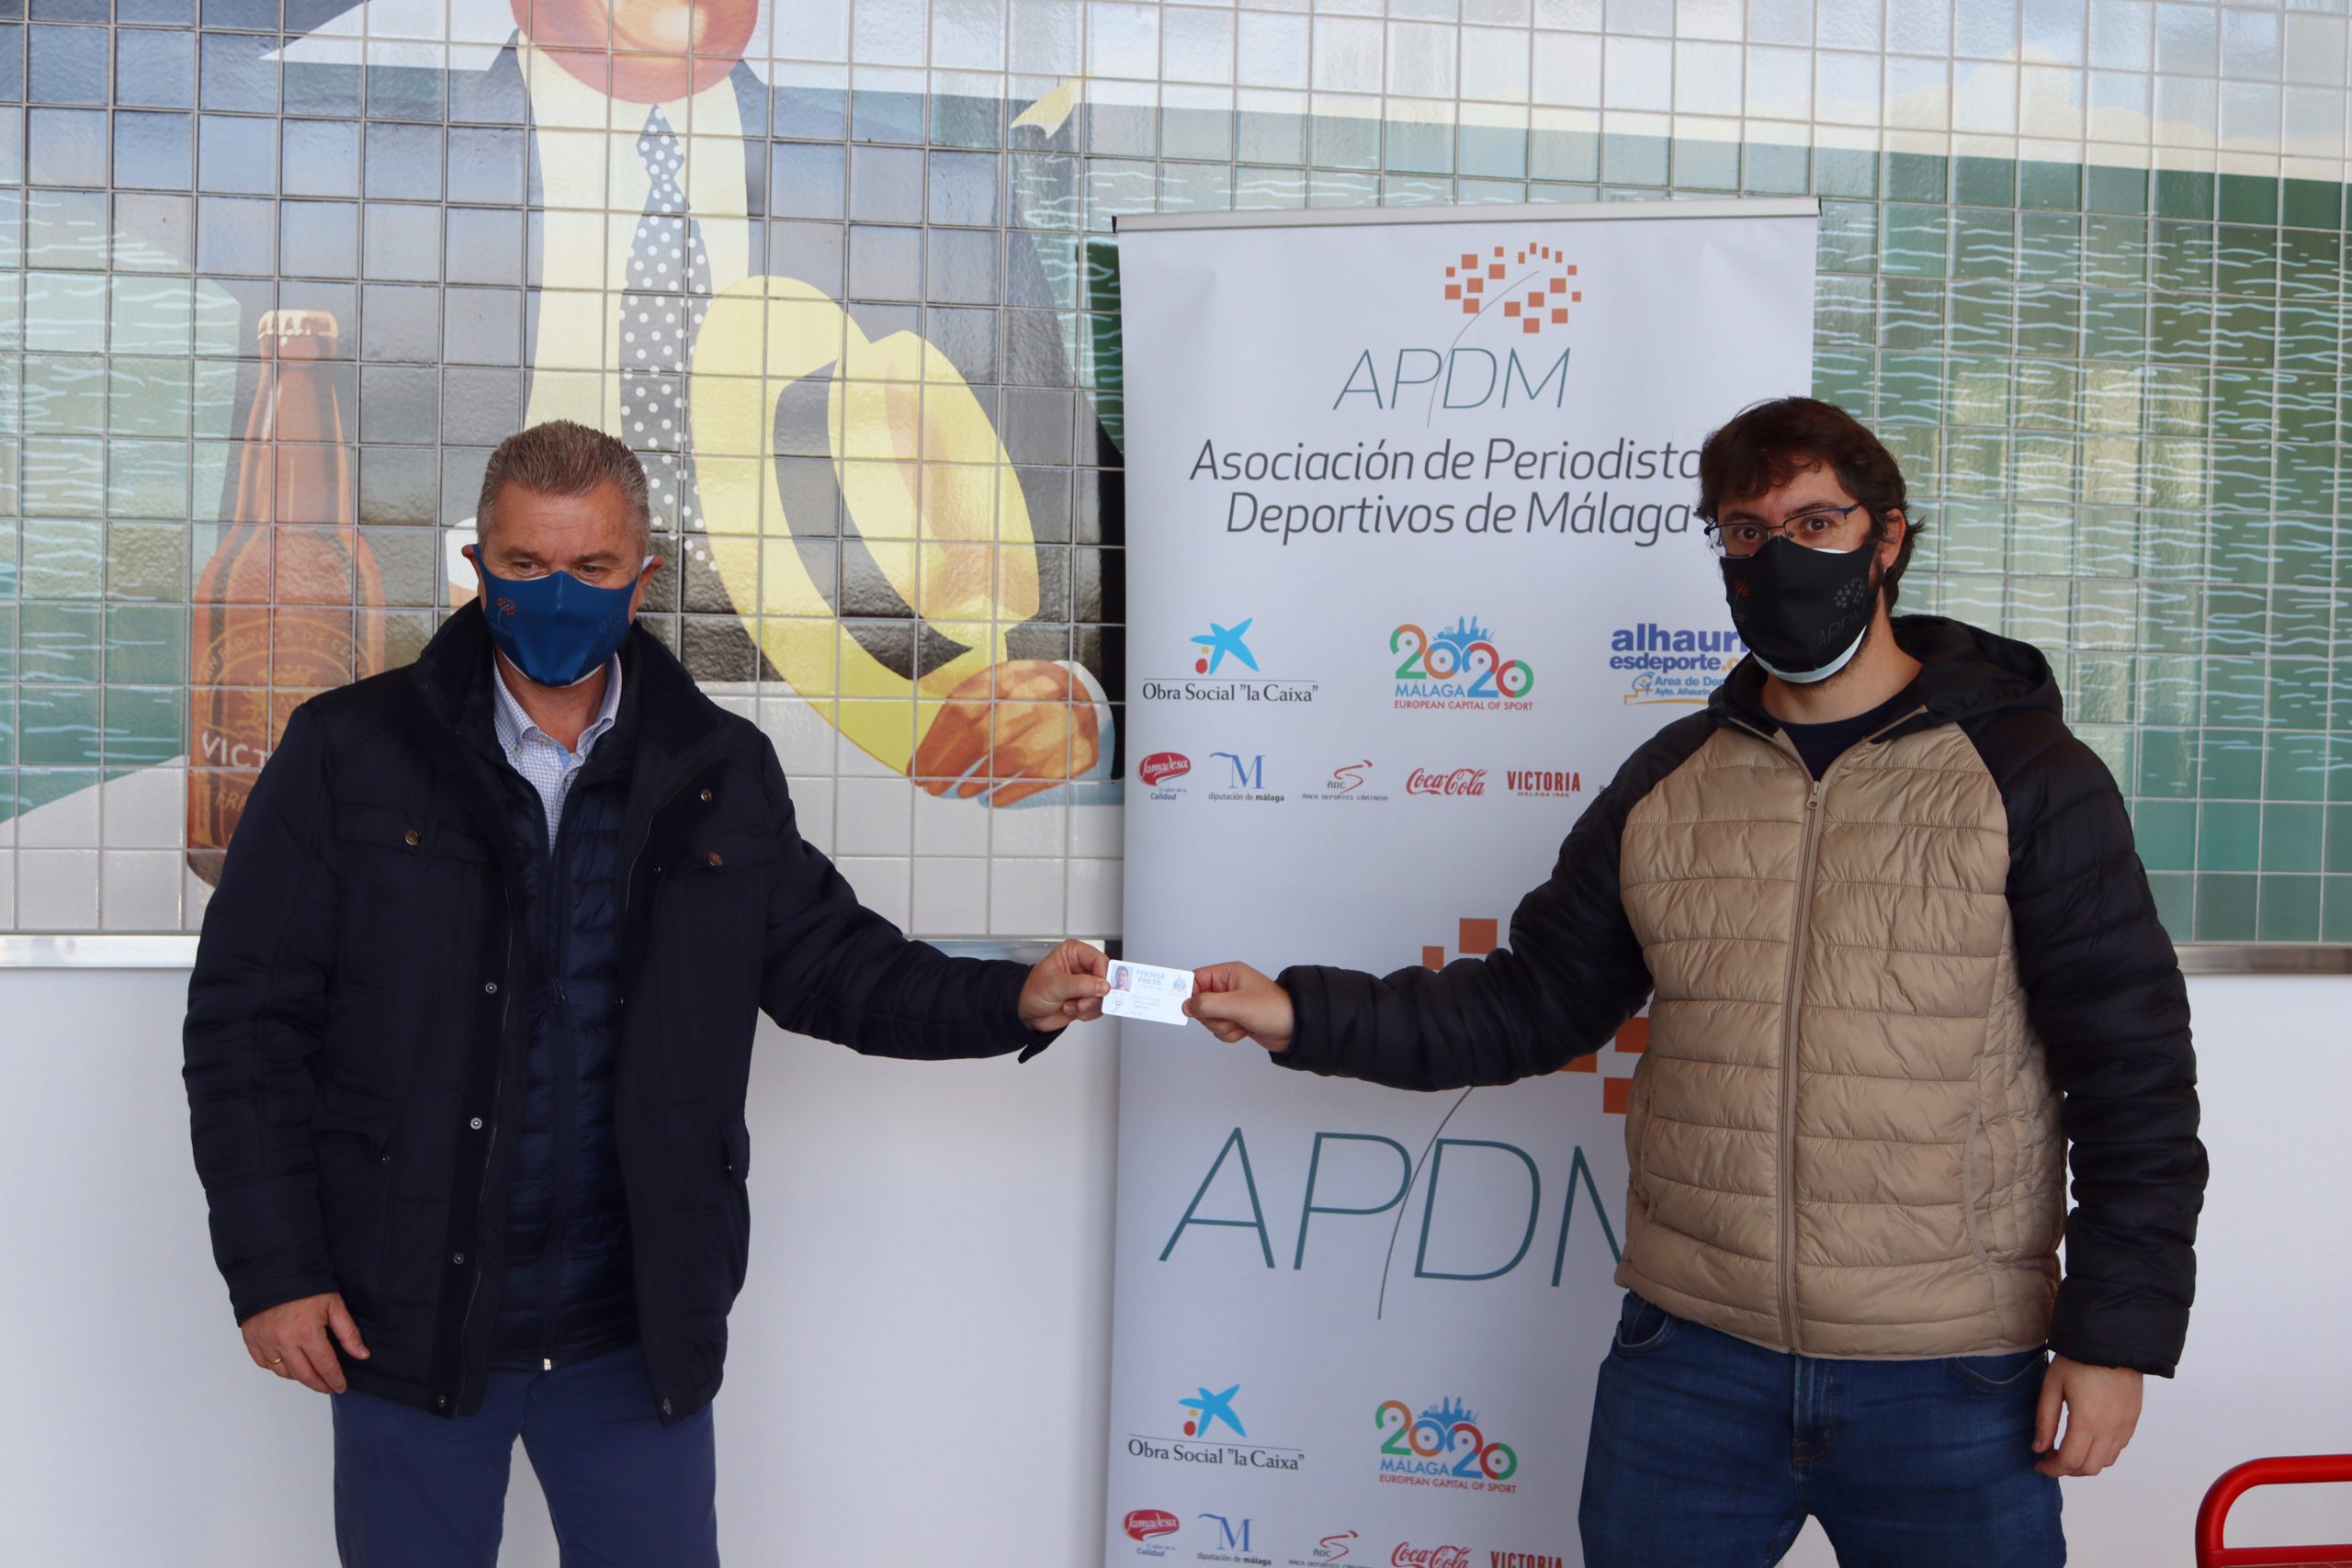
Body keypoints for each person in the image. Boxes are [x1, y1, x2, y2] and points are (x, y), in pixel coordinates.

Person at [1186, 397, 2205, 1568]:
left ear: (1886, 538)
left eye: (1815, 523)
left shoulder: (2028, 774)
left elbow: (2132, 1077)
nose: (1779, 556)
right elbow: (1528, 1003)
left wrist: (2112, 1338)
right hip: (1690, 1365)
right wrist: (1294, 1013)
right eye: (1746, 531)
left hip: (1952, 1375)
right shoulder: (1671, 779)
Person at [182, 421, 1112, 1568]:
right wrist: (276, 1271)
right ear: (478, 564)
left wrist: (1012, 999)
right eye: (524, 564)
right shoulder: (348, 752)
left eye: (592, 566)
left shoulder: (716, 769)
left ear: (643, 576)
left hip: (630, 1329)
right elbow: (245, 1029)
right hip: (404, 1314)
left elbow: (834, 965)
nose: (555, 594)